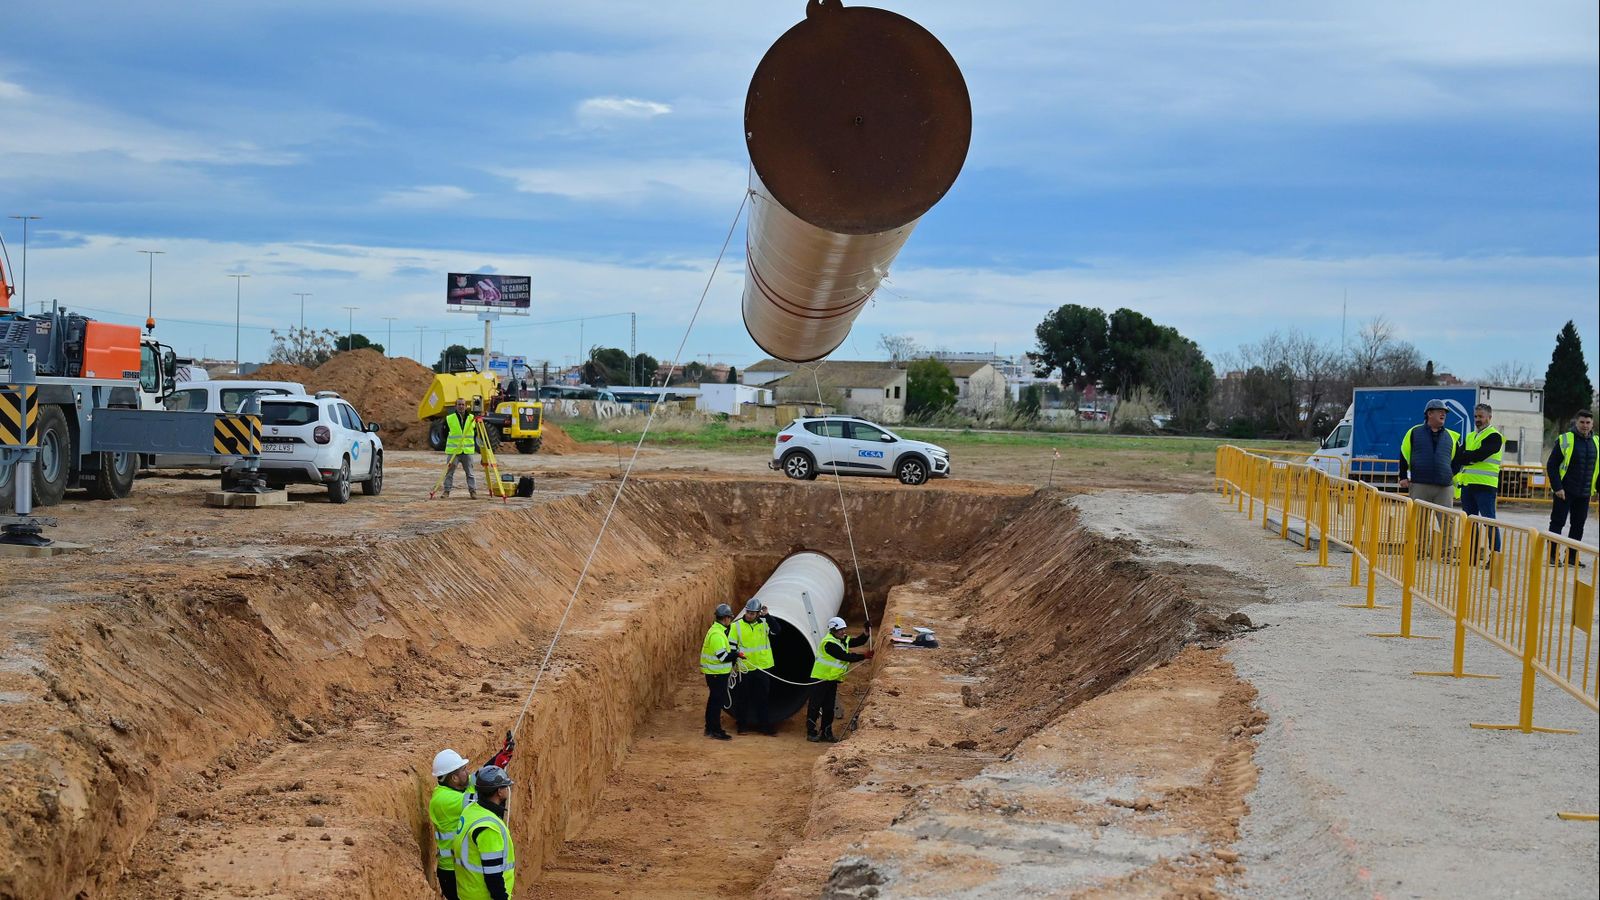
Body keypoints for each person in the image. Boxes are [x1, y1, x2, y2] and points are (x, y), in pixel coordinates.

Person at [428, 735, 514, 900]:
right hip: (451, 869)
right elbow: (485, 796)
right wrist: (499, 785)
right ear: (454, 778)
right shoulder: (444, 800)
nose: (468, 773)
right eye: (463, 770)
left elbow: (479, 779)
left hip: (460, 864)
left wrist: (500, 756)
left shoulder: (457, 787)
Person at [806, 616, 874, 743]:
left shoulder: (842, 639)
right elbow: (845, 656)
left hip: (831, 680)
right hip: (819, 680)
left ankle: (826, 733)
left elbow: (857, 642)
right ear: (833, 630)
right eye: (840, 630)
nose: (843, 632)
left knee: (829, 708)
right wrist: (864, 656)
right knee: (815, 706)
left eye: (843, 629)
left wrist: (866, 633)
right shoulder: (829, 643)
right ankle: (811, 732)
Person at [453, 764, 516, 900]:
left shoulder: (470, 810)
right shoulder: (489, 827)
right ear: (499, 792)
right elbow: (493, 876)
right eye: (506, 786)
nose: (508, 789)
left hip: (467, 893)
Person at [1547, 410, 1596, 567]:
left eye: (1588, 422)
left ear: (1592, 424)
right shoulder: (1565, 439)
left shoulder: (1596, 442)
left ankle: (1571, 557)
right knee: (1557, 523)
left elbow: (1597, 468)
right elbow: (1552, 465)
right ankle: (1552, 556)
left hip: (1584, 493)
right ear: (1576, 422)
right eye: (1582, 422)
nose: (1585, 425)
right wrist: (1557, 487)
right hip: (1564, 491)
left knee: (1578, 526)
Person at [728, 597, 782, 736]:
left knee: (762, 698)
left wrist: (767, 616)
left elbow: (777, 630)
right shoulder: (736, 626)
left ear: (758, 613)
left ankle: (764, 726)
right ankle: (742, 726)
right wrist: (733, 664)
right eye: (748, 612)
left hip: (762, 668)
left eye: (753, 613)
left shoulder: (764, 623)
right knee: (743, 698)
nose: (749, 615)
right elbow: (731, 647)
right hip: (745, 669)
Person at [1457, 403, 1504, 560]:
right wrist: (1470, 456)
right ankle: (1472, 556)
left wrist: (1468, 456)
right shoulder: (1471, 436)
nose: (1477, 419)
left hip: (1485, 486)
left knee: (1489, 522)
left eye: (1481, 416)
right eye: (1476, 416)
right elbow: (1460, 456)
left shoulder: (1495, 436)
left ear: (1489, 417)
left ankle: (1495, 557)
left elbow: (1480, 455)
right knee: (1469, 522)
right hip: (1468, 485)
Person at [1397, 398, 1462, 508]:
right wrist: (1403, 476)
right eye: (1440, 411)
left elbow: (1458, 460)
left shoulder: (1452, 436)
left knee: (1446, 519)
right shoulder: (1414, 432)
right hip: (1420, 485)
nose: (1443, 414)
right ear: (1429, 413)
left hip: (1444, 488)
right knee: (1419, 518)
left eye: (1445, 412)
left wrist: (1449, 475)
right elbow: (1404, 454)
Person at [700, 603, 738, 740]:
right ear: (726, 618)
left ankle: (710, 728)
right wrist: (736, 655)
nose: (730, 621)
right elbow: (723, 657)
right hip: (716, 674)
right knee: (716, 702)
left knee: (713, 701)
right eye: (730, 618)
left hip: (714, 673)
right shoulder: (717, 635)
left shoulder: (717, 630)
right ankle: (716, 730)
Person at [442, 397, 479, 500]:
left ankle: (473, 491)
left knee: (470, 473)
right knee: (449, 473)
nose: (461, 406)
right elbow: (444, 433)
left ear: (466, 406)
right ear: (455, 406)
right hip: (454, 451)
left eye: (463, 404)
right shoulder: (450, 418)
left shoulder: (472, 418)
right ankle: (446, 491)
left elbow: (476, 432)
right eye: (459, 404)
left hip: (467, 451)